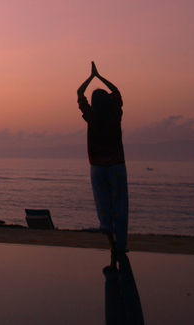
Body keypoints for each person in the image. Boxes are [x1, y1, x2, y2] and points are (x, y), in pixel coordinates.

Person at [78, 61, 127, 267]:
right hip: (116, 165)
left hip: (97, 167)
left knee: (103, 206)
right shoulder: (115, 115)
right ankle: (120, 246)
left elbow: (80, 93)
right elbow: (116, 91)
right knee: (120, 206)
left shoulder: (92, 117)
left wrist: (91, 77)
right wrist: (100, 77)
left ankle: (110, 243)